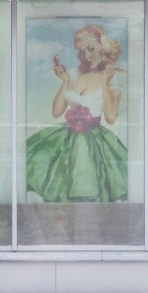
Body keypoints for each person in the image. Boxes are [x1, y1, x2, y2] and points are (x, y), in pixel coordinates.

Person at [26, 24, 128, 202]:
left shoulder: (112, 82)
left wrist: (106, 83)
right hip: (66, 140)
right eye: (81, 52)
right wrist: (64, 81)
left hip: (93, 144)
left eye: (91, 49)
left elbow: (111, 118)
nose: (87, 56)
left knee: (87, 188)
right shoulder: (75, 76)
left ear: (102, 47)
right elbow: (57, 111)